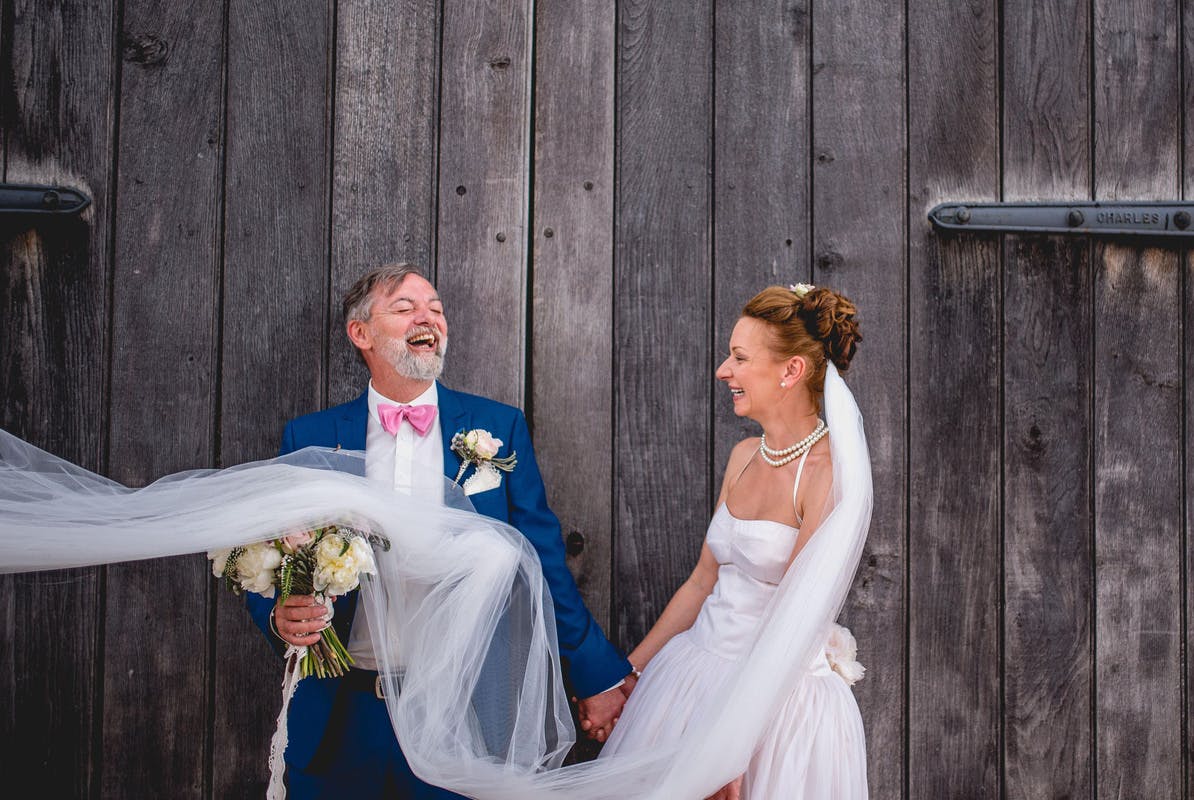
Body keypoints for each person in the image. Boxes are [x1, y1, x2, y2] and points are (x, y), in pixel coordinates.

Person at [243, 263, 634, 798]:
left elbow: (540, 563)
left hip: (462, 713)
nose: (428, 317)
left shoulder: (498, 428)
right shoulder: (310, 437)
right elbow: (273, 555)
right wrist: (280, 617)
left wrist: (596, 674)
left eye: (437, 309)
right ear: (362, 334)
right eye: (405, 308)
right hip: (342, 713)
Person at [599, 284, 869, 799]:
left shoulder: (829, 475)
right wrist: (629, 673)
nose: (724, 371)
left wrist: (732, 747)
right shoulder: (745, 454)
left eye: (740, 358)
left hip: (773, 705)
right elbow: (703, 581)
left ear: (791, 371)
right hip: (692, 677)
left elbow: (794, 620)